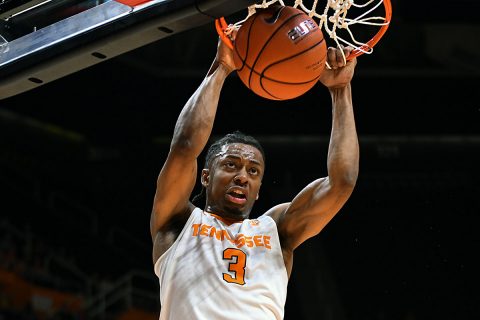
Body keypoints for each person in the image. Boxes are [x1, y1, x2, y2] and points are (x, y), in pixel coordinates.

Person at [150, 33, 359, 320]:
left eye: (253, 171)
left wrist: (340, 92)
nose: (242, 176)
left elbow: (341, 183)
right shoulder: (178, 222)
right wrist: (221, 67)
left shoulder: (276, 231)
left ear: (259, 189)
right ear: (206, 177)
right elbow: (185, 146)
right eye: (231, 165)